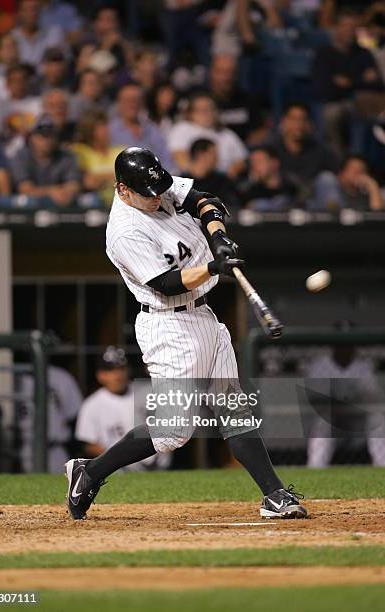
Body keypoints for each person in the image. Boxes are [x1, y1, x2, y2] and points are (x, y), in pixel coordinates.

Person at [65, 146, 307, 521]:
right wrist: (214, 265)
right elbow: (166, 284)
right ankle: (90, 472)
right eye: (148, 193)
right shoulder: (124, 231)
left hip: (204, 316)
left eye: (158, 187)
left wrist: (218, 236)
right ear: (122, 189)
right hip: (169, 325)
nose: (158, 196)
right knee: (172, 432)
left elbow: (205, 200)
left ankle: (274, 494)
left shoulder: (154, 183)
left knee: (234, 408)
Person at [75, 347, 161, 471]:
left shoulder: (147, 392)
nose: (117, 374)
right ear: (100, 375)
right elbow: (88, 444)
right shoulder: (91, 405)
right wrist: (118, 459)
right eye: (110, 370)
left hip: (157, 465)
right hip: (119, 471)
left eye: (121, 368)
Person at [312, 10, 383, 154]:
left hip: (361, 103)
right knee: (331, 114)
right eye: (345, 26)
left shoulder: (363, 53)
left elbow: (378, 85)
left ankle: (364, 160)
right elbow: (323, 89)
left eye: (352, 28)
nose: (349, 31)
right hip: (334, 102)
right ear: (336, 28)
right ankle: (336, 158)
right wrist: (360, 80)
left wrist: (349, 83)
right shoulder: (324, 54)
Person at [305, 342, 385, 467]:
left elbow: (372, 397)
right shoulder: (320, 365)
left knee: (378, 419)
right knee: (322, 421)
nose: (345, 349)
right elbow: (315, 399)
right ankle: (316, 467)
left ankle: (382, 465)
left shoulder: (362, 366)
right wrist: (339, 402)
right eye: (342, 345)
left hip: (357, 421)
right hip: (332, 420)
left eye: (348, 345)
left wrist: (352, 401)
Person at [17, 364, 83, 473]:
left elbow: (74, 415)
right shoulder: (15, 376)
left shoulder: (60, 376)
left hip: (55, 448)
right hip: (23, 445)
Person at [167, 92, 248, 177]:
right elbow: (178, 156)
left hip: (223, 178)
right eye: (201, 109)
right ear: (190, 113)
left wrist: (233, 171)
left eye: (210, 109)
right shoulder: (182, 128)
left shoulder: (226, 133)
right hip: (193, 178)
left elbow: (242, 159)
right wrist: (195, 171)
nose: (206, 113)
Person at [10, 114, 81, 207]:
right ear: (31, 137)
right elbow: (25, 189)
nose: (46, 140)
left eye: (51, 135)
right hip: (27, 211)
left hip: (61, 208)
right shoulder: (20, 157)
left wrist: (67, 193)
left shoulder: (67, 156)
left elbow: (74, 184)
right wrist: (51, 191)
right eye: (41, 135)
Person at [270, 102, 339, 189]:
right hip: (279, 197)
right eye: (294, 119)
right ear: (284, 122)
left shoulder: (319, 148)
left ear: (309, 124)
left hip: (311, 197)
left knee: (327, 178)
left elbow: (339, 170)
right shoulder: (271, 148)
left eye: (303, 119)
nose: (299, 124)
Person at [109, 82, 174, 171]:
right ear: (119, 102)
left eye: (136, 99)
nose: (132, 104)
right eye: (128, 100)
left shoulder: (151, 129)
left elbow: (167, 160)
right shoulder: (109, 130)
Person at [71, 109, 124, 205]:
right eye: (100, 127)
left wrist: (100, 178)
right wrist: (114, 177)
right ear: (89, 130)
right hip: (94, 201)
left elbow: (128, 181)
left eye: (106, 126)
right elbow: (88, 182)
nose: (106, 130)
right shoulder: (79, 150)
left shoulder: (120, 151)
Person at [309, 154, 384, 210]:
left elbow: (376, 217)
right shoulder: (330, 185)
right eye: (353, 169)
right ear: (341, 174)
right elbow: (333, 214)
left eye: (362, 170)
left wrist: (373, 186)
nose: (357, 172)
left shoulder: (365, 196)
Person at [184, 138, 242, 208]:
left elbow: (235, 204)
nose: (217, 158)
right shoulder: (181, 183)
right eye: (213, 154)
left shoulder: (222, 180)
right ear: (200, 155)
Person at [240, 146, 299, 211]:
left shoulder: (293, 188)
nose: (254, 166)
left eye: (259, 161)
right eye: (252, 163)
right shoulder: (248, 194)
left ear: (274, 163)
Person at [11, 0, 66, 67]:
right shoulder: (12, 37)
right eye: (27, 10)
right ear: (20, 13)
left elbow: (62, 61)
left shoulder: (53, 34)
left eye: (35, 9)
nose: (32, 13)